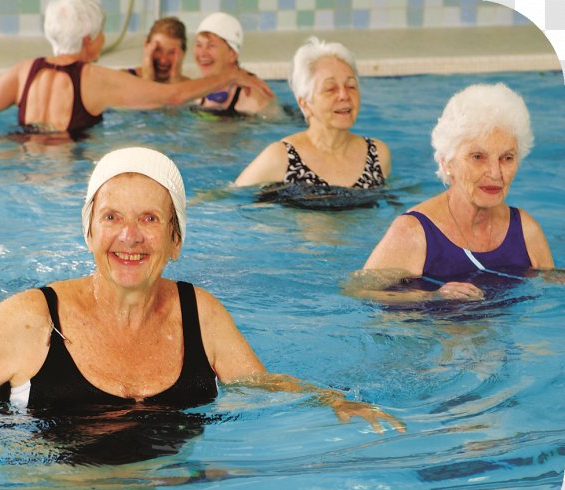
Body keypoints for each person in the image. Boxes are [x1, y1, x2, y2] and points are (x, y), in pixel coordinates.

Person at [0, 147, 404, 435]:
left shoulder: (199, 313)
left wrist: (334, 400)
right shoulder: (32, 320)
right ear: (88, 230)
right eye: (111, 217)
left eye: (150, 221)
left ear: (176, 239)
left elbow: (258, 384)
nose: (129, 237)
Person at [356, 83, 554, 301]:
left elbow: (553, 294)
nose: (495, 173)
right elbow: (357, 294)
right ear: (447, 162)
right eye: (478, 157)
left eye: (507, 158)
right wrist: (431, 298)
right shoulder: (413, 233)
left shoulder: (526, 231)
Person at [0, 0, 271, 134]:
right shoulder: (94, 78)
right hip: (67, 178)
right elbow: (173, 96)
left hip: (22, 167)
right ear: (89, 40)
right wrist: (227, 75)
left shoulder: (24, 70)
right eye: (102, 32)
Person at [235, 36, 390, 189]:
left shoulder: (377, 155)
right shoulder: (281, 157)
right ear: (305, 103)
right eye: (330, 89)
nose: (344, 95)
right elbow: (230, 198)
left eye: (351, 86)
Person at [193, 12, 275, 116]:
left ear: (232, 54)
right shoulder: (197, 93)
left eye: (211, 46)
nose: (202, 54)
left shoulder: (251, 98)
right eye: (198, 45)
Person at [124, 16, 189, 84]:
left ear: (183, 53)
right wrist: (148, 78)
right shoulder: (124, 78)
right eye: (158, 49)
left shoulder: (190, 87)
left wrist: (175, 83)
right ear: (146, 45)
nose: (163, 60)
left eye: (171, 52)